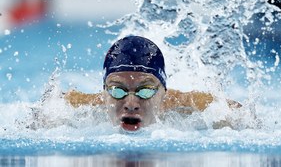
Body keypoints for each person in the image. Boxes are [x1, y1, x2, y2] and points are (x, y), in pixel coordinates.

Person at [65, 35, 242, 131]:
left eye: (145, 91)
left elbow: (238, 113)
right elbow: (53, 105)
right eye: (118, 91)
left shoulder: (187, 104)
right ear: (104, 91)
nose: (131, 104)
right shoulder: (84, 107)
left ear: (164, 92)